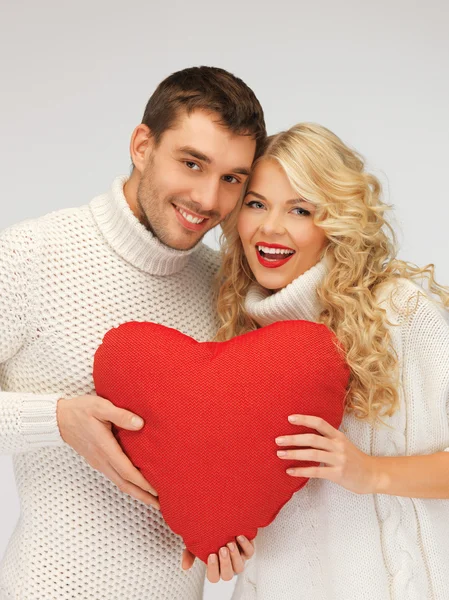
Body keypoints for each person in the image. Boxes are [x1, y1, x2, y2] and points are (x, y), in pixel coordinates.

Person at [0, 66, 265, 600]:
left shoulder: (224, 288)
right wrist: (56, 419)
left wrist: (229, 527)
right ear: (142, 145)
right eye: (192, 163)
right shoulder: (30, 255)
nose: (208, 198)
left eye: (232, 178)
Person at [214, 123, 449, 599]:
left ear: (335, 220)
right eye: (256, 204)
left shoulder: (399, 312)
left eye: (300, 209)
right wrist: (228, 537)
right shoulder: (233, 326)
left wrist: (370, 472)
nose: (270, 227)